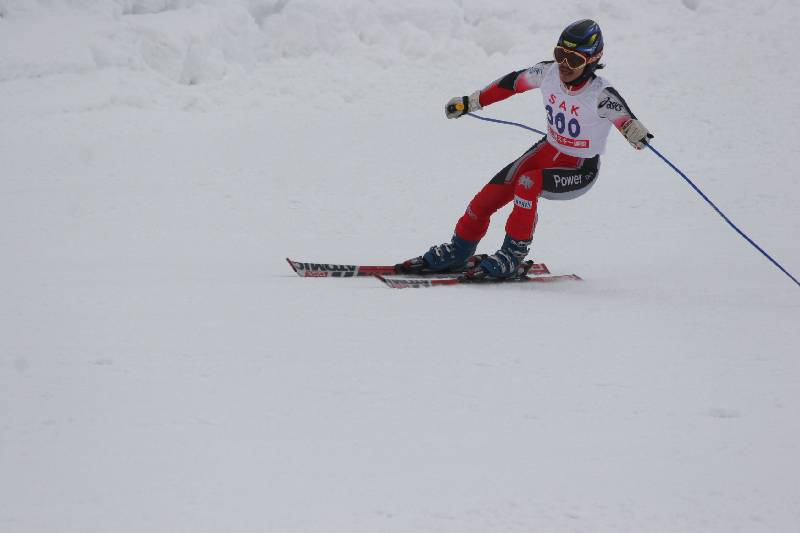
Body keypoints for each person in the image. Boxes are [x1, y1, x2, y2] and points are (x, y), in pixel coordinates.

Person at [404, 19, 652, 279]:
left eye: (574, 60)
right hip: (547, 151)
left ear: (592, 60)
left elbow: (630, 126)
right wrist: (471, 102)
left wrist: (636, 134)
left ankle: (512, 256)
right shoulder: (548, 73)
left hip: (580, 168)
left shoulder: (601, 94)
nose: (564, 65)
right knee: (487, 197)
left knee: (527, 183)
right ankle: (459, 251)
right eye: (560, 54)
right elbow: (511, 83)